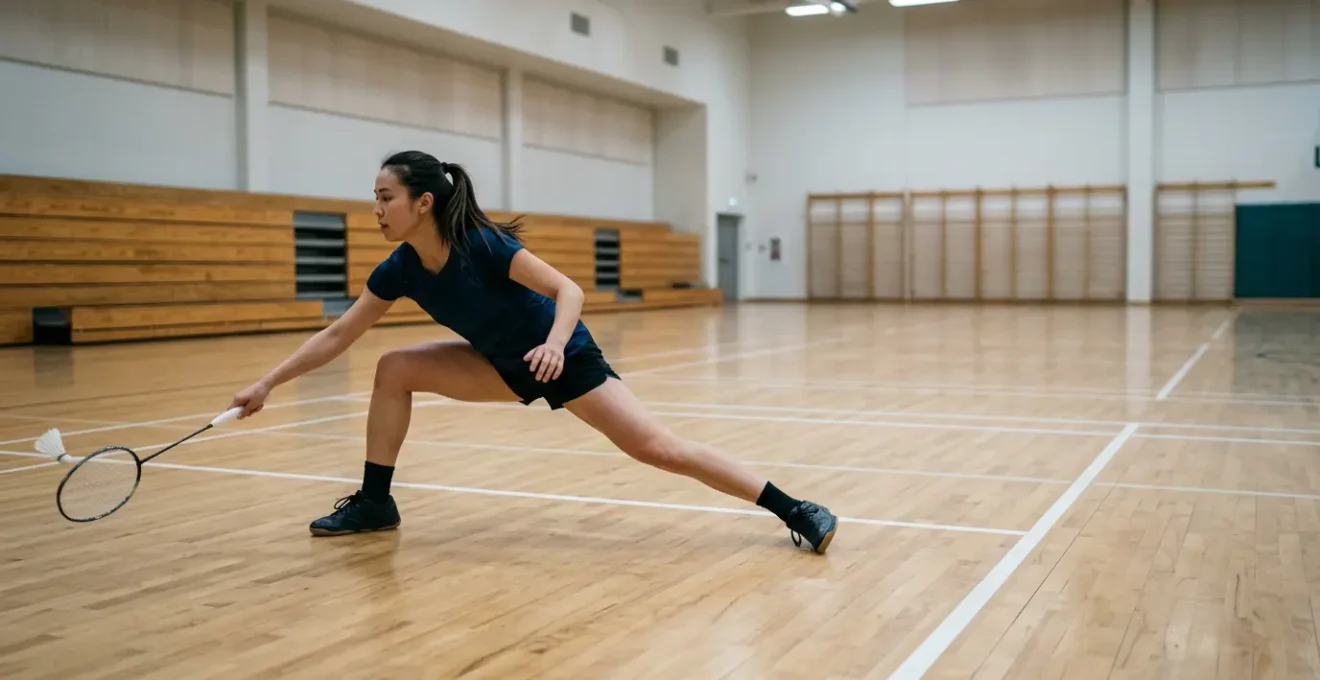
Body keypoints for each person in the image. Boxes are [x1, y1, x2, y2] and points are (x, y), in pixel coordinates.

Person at [227, 150, 838, 554]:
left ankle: (797, 509)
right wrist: (267, 382)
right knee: (395, 368)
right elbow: (340, 334)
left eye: (386, 196)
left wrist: (551, 344)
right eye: (374, 196)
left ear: (423, 203)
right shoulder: (402, 269)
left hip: (562, 356)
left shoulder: (483, 245)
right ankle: (375, 501)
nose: (376, 209)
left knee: (659, 449)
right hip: (503, 363)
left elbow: (567, 290)